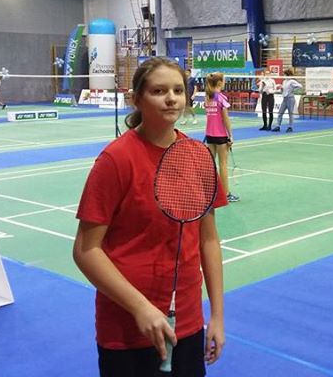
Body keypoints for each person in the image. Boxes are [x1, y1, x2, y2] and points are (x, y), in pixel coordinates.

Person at [73, 58, 226, 377]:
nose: (171, 98)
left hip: (187, 323)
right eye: (159, 91)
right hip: (129, 329)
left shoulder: (198, 157)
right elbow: (86, 250)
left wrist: (217, 316)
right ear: (137, 99)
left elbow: (208, 240)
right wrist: (140, 307)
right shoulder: (115, 160)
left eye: (178, 90)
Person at [204, 72, 239, 203]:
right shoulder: (221, 98)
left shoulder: (208, 98)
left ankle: (209, 193)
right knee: (223, 165)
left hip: (209, 136)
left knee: (210, 166)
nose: (225, 82)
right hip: (220, 136)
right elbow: (226, 119)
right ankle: (226, 194)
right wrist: (230, 136)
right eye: (224, 80)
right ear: (219, 83)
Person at [271, 68, 302, 133]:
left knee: (290, 113)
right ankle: (278, 126)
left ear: (287, 75)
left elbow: (300, 86)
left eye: (284, 74)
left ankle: (290, 127)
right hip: (284, 99)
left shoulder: (292, 81)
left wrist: (293, 90)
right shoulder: (284, 81)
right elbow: (283, 90)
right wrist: (280, 89)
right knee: (280, 112)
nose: (283, 75)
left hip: (290, 99)